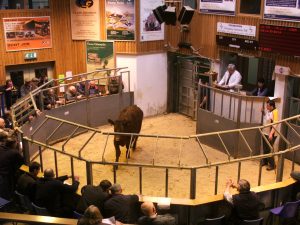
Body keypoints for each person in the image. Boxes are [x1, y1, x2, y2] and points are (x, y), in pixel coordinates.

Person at [0, 130, 24, 199]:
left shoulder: (1, 148)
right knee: (7, 192)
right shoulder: (14, 152)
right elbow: (22, 164)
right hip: (6, 176)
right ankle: (9, 203)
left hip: (2, 173)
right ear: (13, 144)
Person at [261, 100, 278, 171]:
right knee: (265, 148)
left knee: (269, 149)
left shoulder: (275, 111)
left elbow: (275, 123)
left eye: (268, 106)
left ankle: (272, 165)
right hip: (265, 132)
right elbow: (267, 118)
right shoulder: (269, 111)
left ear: (272, 106)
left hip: (270, 134)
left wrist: (271, 134)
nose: (266, 107)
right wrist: (263, 113)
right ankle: (265, 161)